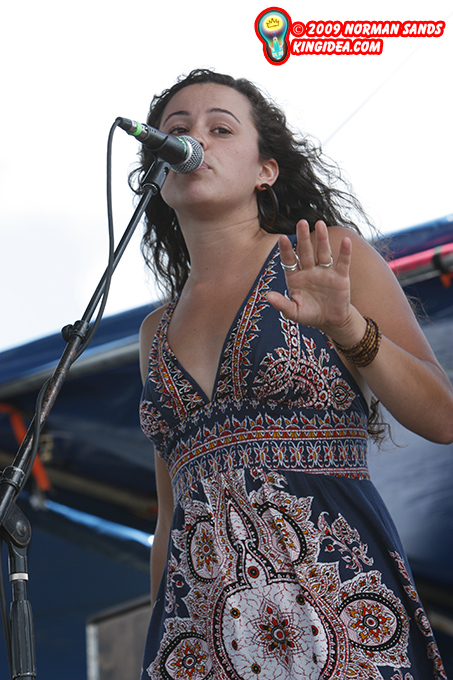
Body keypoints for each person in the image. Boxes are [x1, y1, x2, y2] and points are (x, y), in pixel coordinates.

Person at [133, 69, 453, 680]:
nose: (193, 139)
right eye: (177, 129)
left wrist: (347, 325)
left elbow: (443, 418)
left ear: (266, 170)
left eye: (220, 129)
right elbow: (170, 519)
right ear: (159, 170)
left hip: (336, 604)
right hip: (203, 634)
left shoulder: (326, 258)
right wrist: (162, 643)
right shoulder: (156, 331)